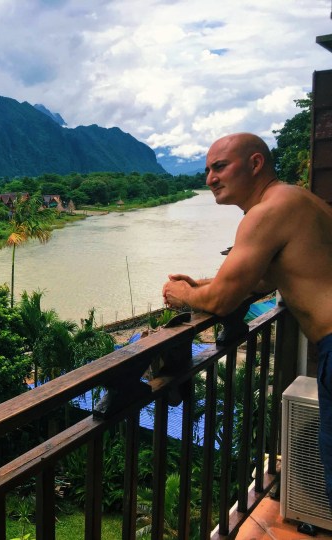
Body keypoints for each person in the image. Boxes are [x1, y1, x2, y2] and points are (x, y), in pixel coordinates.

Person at [162, 132, 332, 510]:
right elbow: (265, 277)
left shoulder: (266, 212)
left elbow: (223, 301)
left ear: (255, 164)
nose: (209, 178)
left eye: (220, 167)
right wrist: (204, 283)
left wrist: (182, 295)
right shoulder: (298, 199)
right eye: (207, 169)